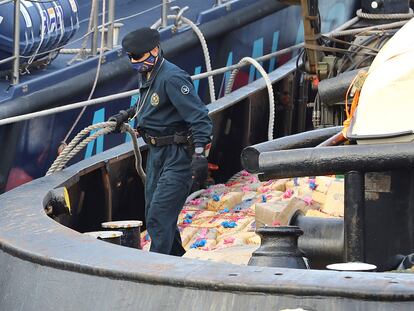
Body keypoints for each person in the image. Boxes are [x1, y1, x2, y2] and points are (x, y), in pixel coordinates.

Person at [109, 27, 213, 256]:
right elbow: (147, 103)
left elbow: (200, 119)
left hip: (177, 157)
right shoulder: (147, 72)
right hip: (157, 155)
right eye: (131, 57)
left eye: (137, 57)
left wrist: (199, 155)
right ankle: (177, 259)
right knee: (156, 214)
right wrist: (126, 115)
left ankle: (157, 268)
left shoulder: (172, 78)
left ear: (154, 50)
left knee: (158, 216)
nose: (134, 62)